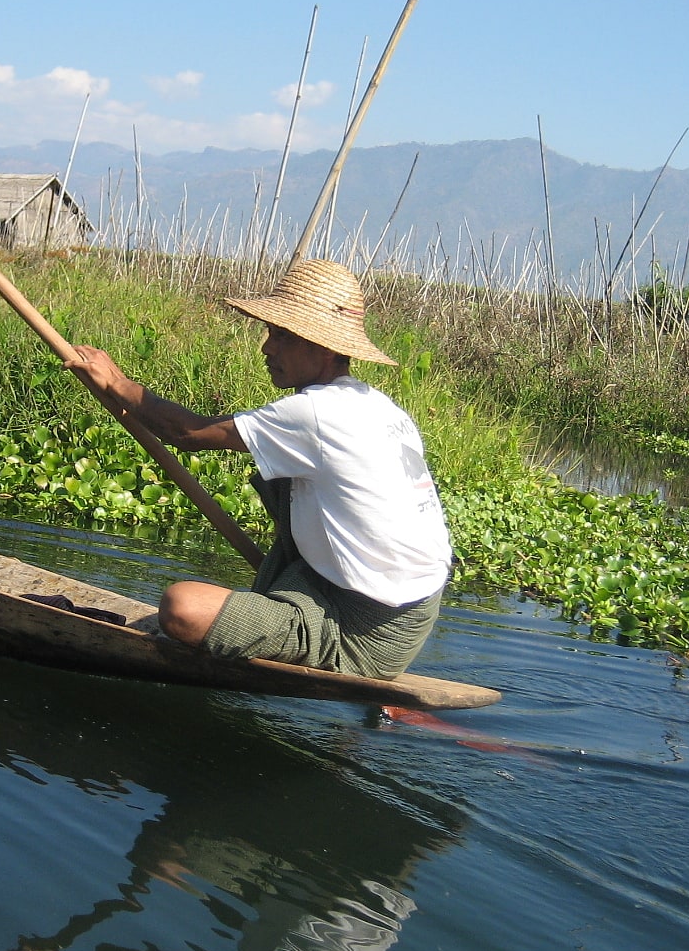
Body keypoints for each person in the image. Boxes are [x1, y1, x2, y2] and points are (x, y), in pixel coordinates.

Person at [67, 258, 452, 679]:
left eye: (282, 335)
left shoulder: (317, 414)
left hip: (364, 630)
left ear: (321, 346)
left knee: (182, 607)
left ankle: (324, 642)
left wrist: (117, 384)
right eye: (271, 332)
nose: (267, 347)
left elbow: (189, 433)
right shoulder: (377, 406)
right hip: (401, 610)